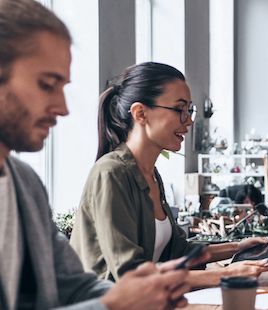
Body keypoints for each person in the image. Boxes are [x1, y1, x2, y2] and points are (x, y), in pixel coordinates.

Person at [0, 0, 191, 309]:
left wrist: (147, 294)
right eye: (47, 84)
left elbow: (74, 287)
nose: (62, 108)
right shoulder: (112, 171)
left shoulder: (24, 182)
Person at [70, 62, 268, 287]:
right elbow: (129, 274)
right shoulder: (111, 173)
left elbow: (180, 251)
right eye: (179, 109)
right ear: (140, 113)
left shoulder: (151, 175)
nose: (189, 120)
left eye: (190, 110)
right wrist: (224, 275)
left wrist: (238, 247)